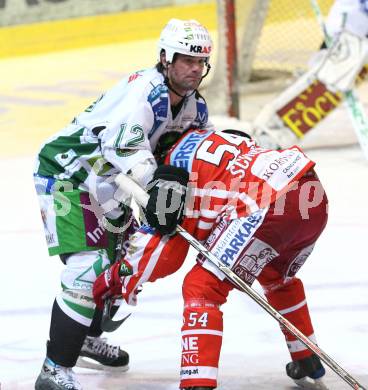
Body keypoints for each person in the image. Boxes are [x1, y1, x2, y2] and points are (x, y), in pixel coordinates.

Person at [33, 18, 214, 390]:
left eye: (200, 61)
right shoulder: (145, 93)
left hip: (107, 184)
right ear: (165, 57)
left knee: (122, 262)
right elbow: (125, 148)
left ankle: (83, 336)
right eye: (186, 60)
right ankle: (54, 370)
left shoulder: (195, 107)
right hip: (69, 173)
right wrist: (157, 190)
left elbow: (186, 154)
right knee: (87, 267)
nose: (194, 69)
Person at [93, 128, 329, 389]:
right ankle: (307, 358)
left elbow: (162, 256)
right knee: (277, 278)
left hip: (267, 203)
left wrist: (114, 278)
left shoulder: (169, 173)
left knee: (202, 287)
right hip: (310, 194)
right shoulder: (205, 136)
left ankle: (198, 383)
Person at [253, 0, 368, 150]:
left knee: (328, 84)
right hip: (351, 34)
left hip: (354, 32)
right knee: (325, 85)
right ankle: (270, 133)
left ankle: (271, 133)